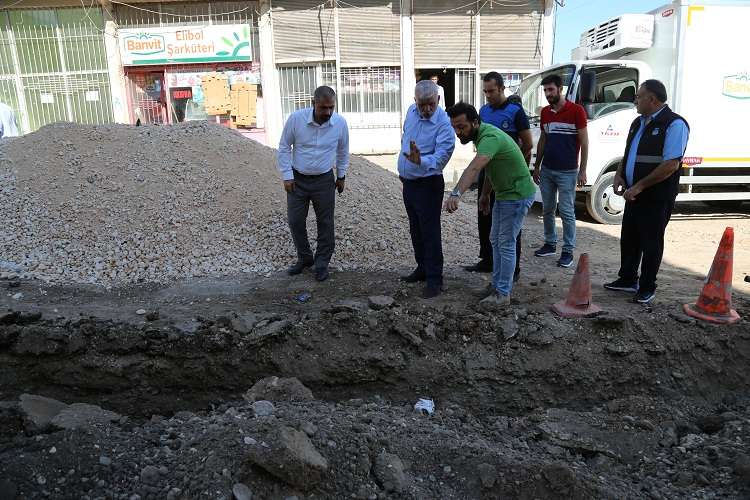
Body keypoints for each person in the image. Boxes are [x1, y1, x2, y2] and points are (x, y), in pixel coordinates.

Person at [604, 79, 689, 304]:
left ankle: (647, 286)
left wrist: (639, 186)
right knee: (630, 238)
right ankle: (627, 279)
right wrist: (619, 174)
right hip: (634, 193)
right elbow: (628, 152)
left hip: (656, 196)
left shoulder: (674, 124)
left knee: (651, 242)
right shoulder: (637, 122)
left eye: (639, 97)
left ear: (652, 99)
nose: (635, 100)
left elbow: (671, 164)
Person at [444, 102, 536, 307]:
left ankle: (503, 293)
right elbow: (492, 168)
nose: (458, 132)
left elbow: (475, 168)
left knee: (506, 243)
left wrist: (456, 193)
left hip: (517, 194)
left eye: (462, 127)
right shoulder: (482, 136)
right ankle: (496, 285)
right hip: (504, 194)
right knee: (495, 240)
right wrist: (485, 195)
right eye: (455, 127)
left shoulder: (489, 138)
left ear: (475, 122)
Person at [277, 86, 349, 282]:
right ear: (313, 104)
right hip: (297, 180)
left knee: (325, 223)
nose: (327, 112)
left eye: (330, 108)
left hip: (324, 181)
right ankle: (305, 258)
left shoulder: (340, 124)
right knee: (295, 221)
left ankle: (322, 263)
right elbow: (284, 147)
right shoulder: (296, 119)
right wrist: (287, 175)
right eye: (323, 108)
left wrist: (341, 176)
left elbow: (343, 151)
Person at [465, 72, 533, 280]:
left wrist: (514, 166)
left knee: (509, 228)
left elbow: (528, 143)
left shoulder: (515, 111)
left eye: (491, 91)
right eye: (485, 91)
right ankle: (488, 261)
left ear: (502, 89)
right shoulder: (483, 111)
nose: (488, 95)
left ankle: (513, 271)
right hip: (488, 171)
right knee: (486, 218)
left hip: (509, 177)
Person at [398, 80, 456, 299]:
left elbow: (442, 158)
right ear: (415, 101)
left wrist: (419, 160)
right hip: (409, 182)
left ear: (438, 100)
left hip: (428, 184)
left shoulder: (444, 124)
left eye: (431, 104)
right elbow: (405, 137)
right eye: (422, 104)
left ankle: (435, 280)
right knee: (416, 229)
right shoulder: (411, 112)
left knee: (430, 232)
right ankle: (422, 268)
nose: (426, 109)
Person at [532, 74, 588, 268]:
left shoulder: (576, 111)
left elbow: (584, 141)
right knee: (547, 209)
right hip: (547, 169)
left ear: (560, 89)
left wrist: (583, 170)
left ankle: (568, 250)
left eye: (551, 90)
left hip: (568, 171)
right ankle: (550, 244)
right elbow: (543, 140)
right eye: (545, 90)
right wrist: (537, 166)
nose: (548, 94)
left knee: (566, 211)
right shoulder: (546, 112)